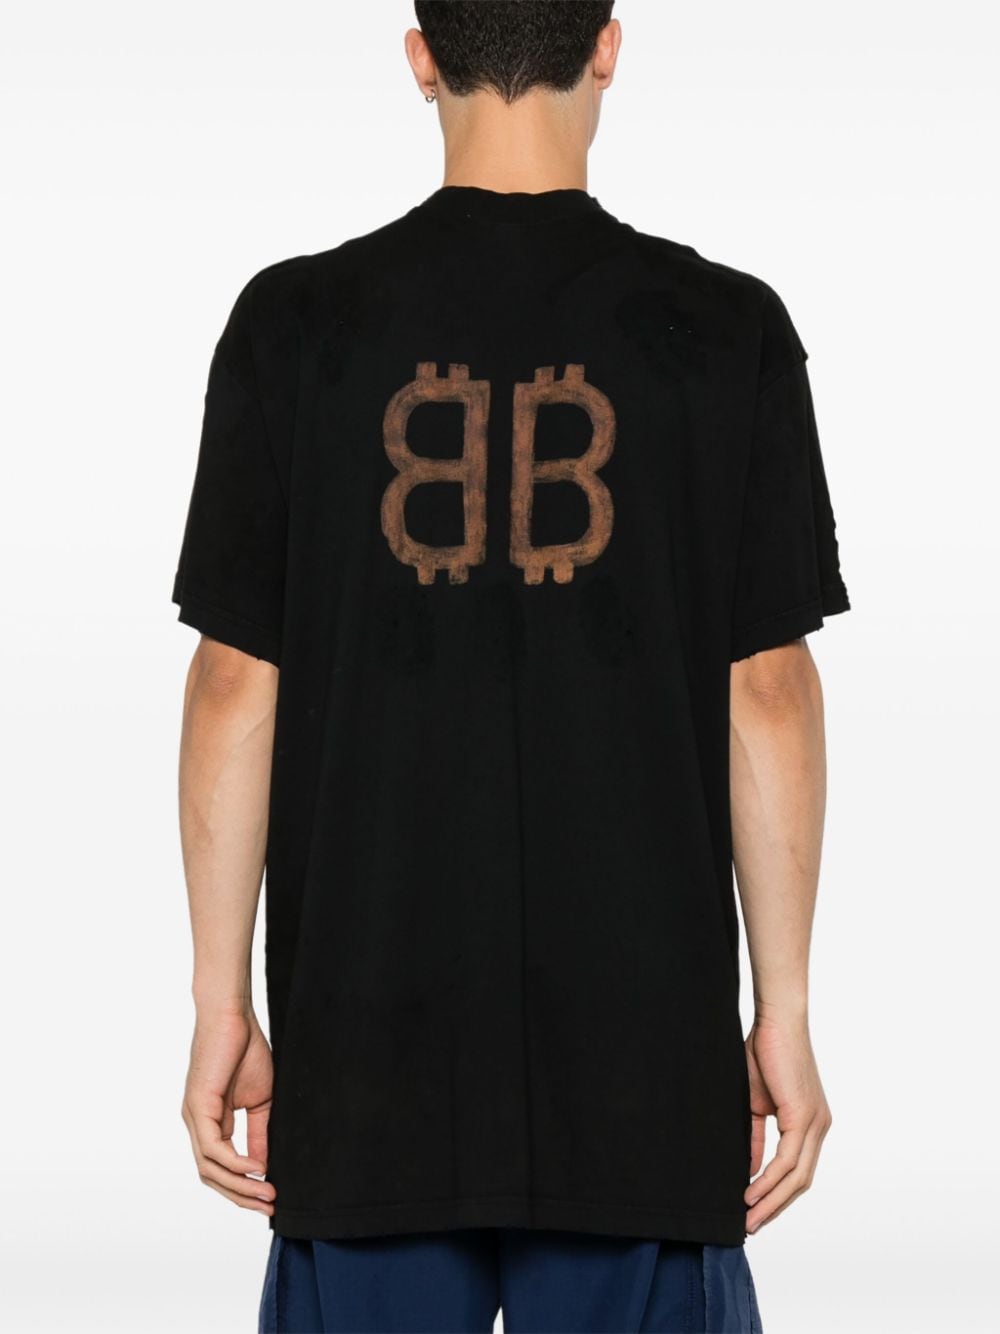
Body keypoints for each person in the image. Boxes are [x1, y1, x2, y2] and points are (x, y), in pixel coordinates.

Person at [172, 3, 849, 1330]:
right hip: (641, 1082)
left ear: (420, 57)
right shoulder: (727, 332)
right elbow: (765, 690)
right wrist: (783, 1007)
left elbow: (234, 684)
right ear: (608, 46)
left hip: (365, 1072)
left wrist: (220, 1002)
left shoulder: (293, 326)